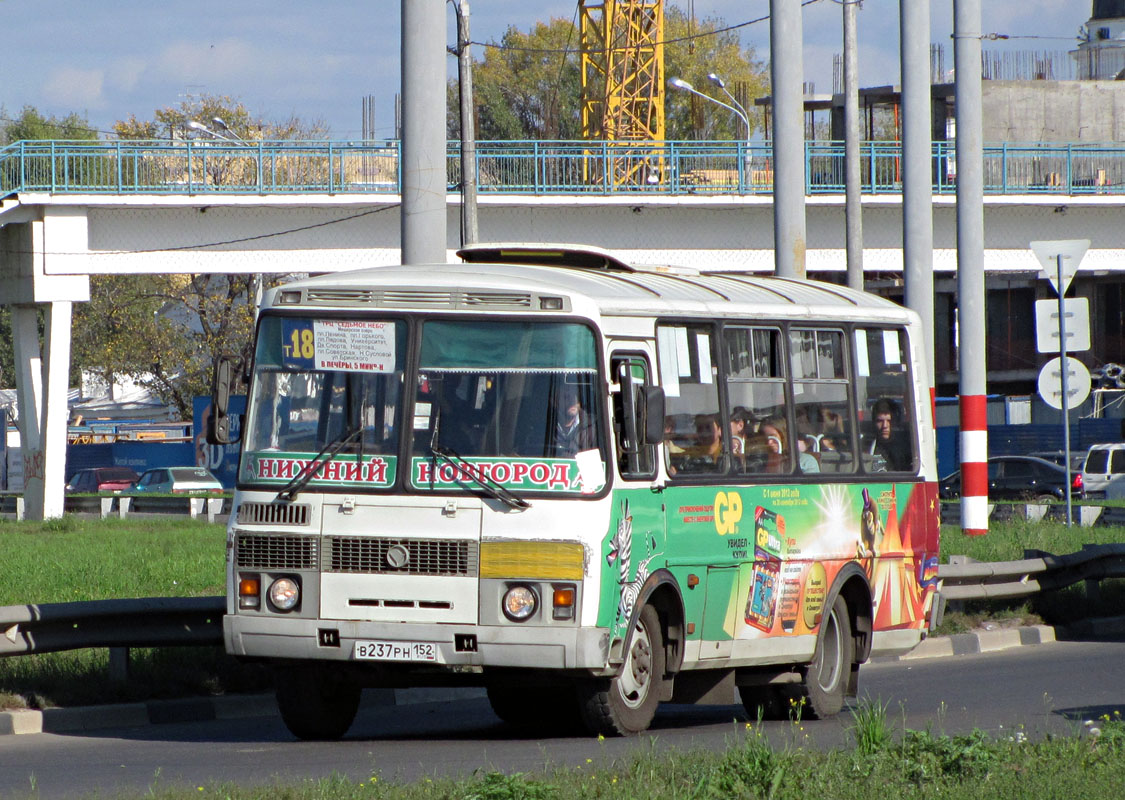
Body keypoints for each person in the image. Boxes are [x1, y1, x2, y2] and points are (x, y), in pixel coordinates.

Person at [552, 384, 596, 457]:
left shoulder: (593, 428)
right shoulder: (543, 428)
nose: (573, 401)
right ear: (553, 401)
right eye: (567, 397)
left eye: (576, 396)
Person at [869, 398, 912, 471]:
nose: (885, 426)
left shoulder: (906, 449)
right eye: (880, 421)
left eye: (889, 421)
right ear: (874, 422)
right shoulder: (867, 446)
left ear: (896, 422)